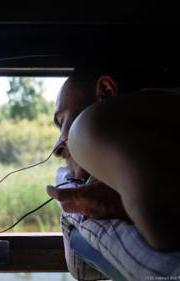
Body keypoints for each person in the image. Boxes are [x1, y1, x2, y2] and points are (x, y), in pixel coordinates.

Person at [47, 61, 180, 279]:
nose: (57, 148)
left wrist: (126, 205)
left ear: (106, 92)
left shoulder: (88, 124)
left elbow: (163, 230)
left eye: (62, 120)